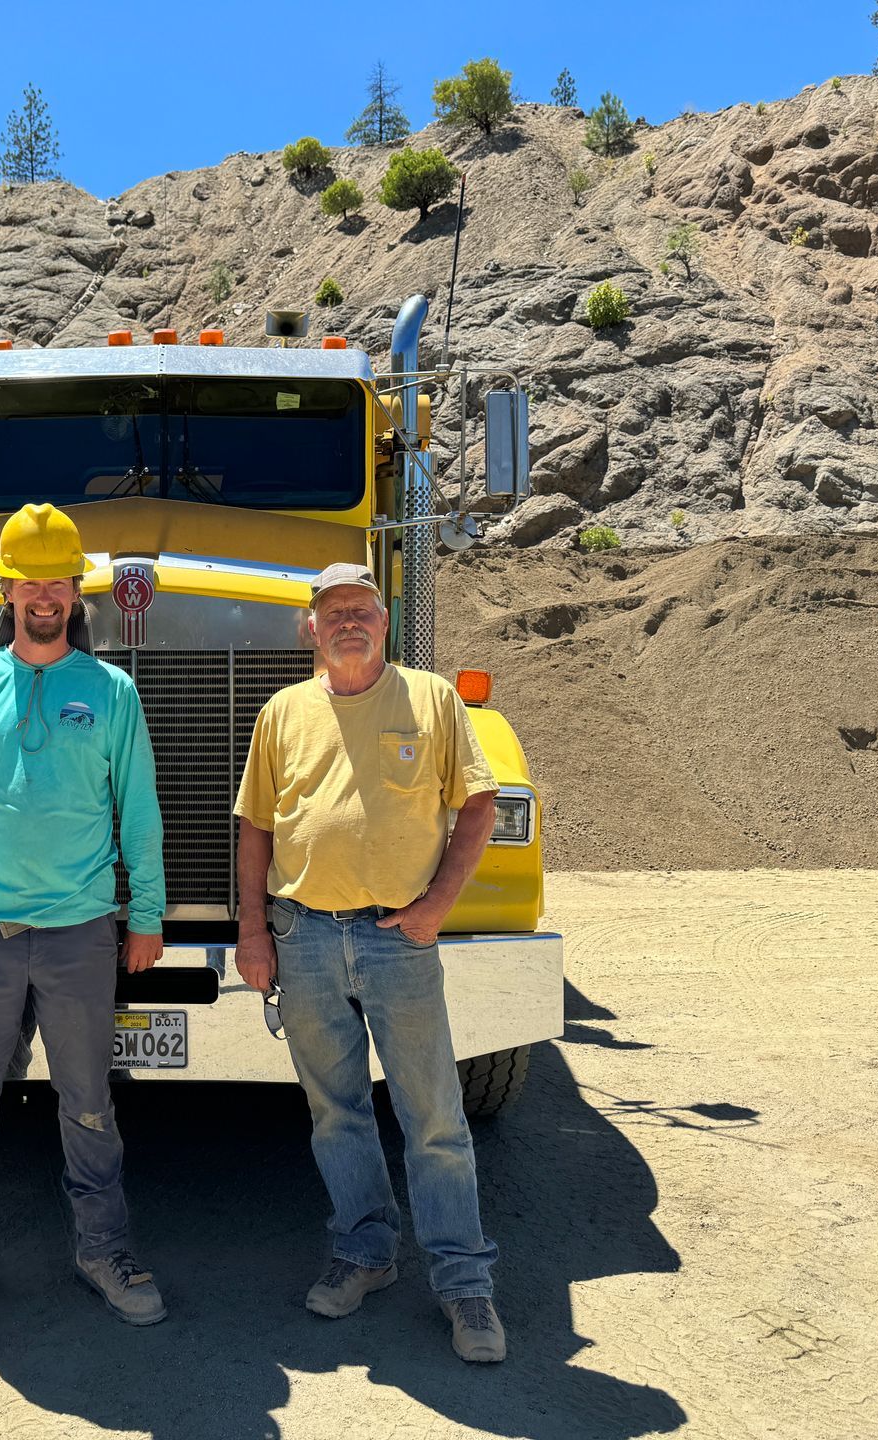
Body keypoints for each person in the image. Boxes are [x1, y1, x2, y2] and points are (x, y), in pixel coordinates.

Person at [0, 502, 168, 1336]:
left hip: (80, 930)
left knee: (87, 1103)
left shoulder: (111, 691)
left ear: (75, 591)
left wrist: (145, 914)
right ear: (5, 589)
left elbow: (140, 811)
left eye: (57, 581)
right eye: (28, 582)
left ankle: (104, 1251)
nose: (44, 596)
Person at [231, 562, 507, 1363]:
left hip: (400, 939)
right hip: (305, 937)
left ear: (384, 621)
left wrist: (438, 907)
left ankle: (465, 1286)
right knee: (336, 1114)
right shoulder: (283, 712)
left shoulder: (434, 700)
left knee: (436, 1120)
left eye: (362, 608)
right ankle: (365, 1252)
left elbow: (479, 801)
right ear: (310, 629)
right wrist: (256, 930)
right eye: (333, 611)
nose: (348, 621)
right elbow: (256, 826)